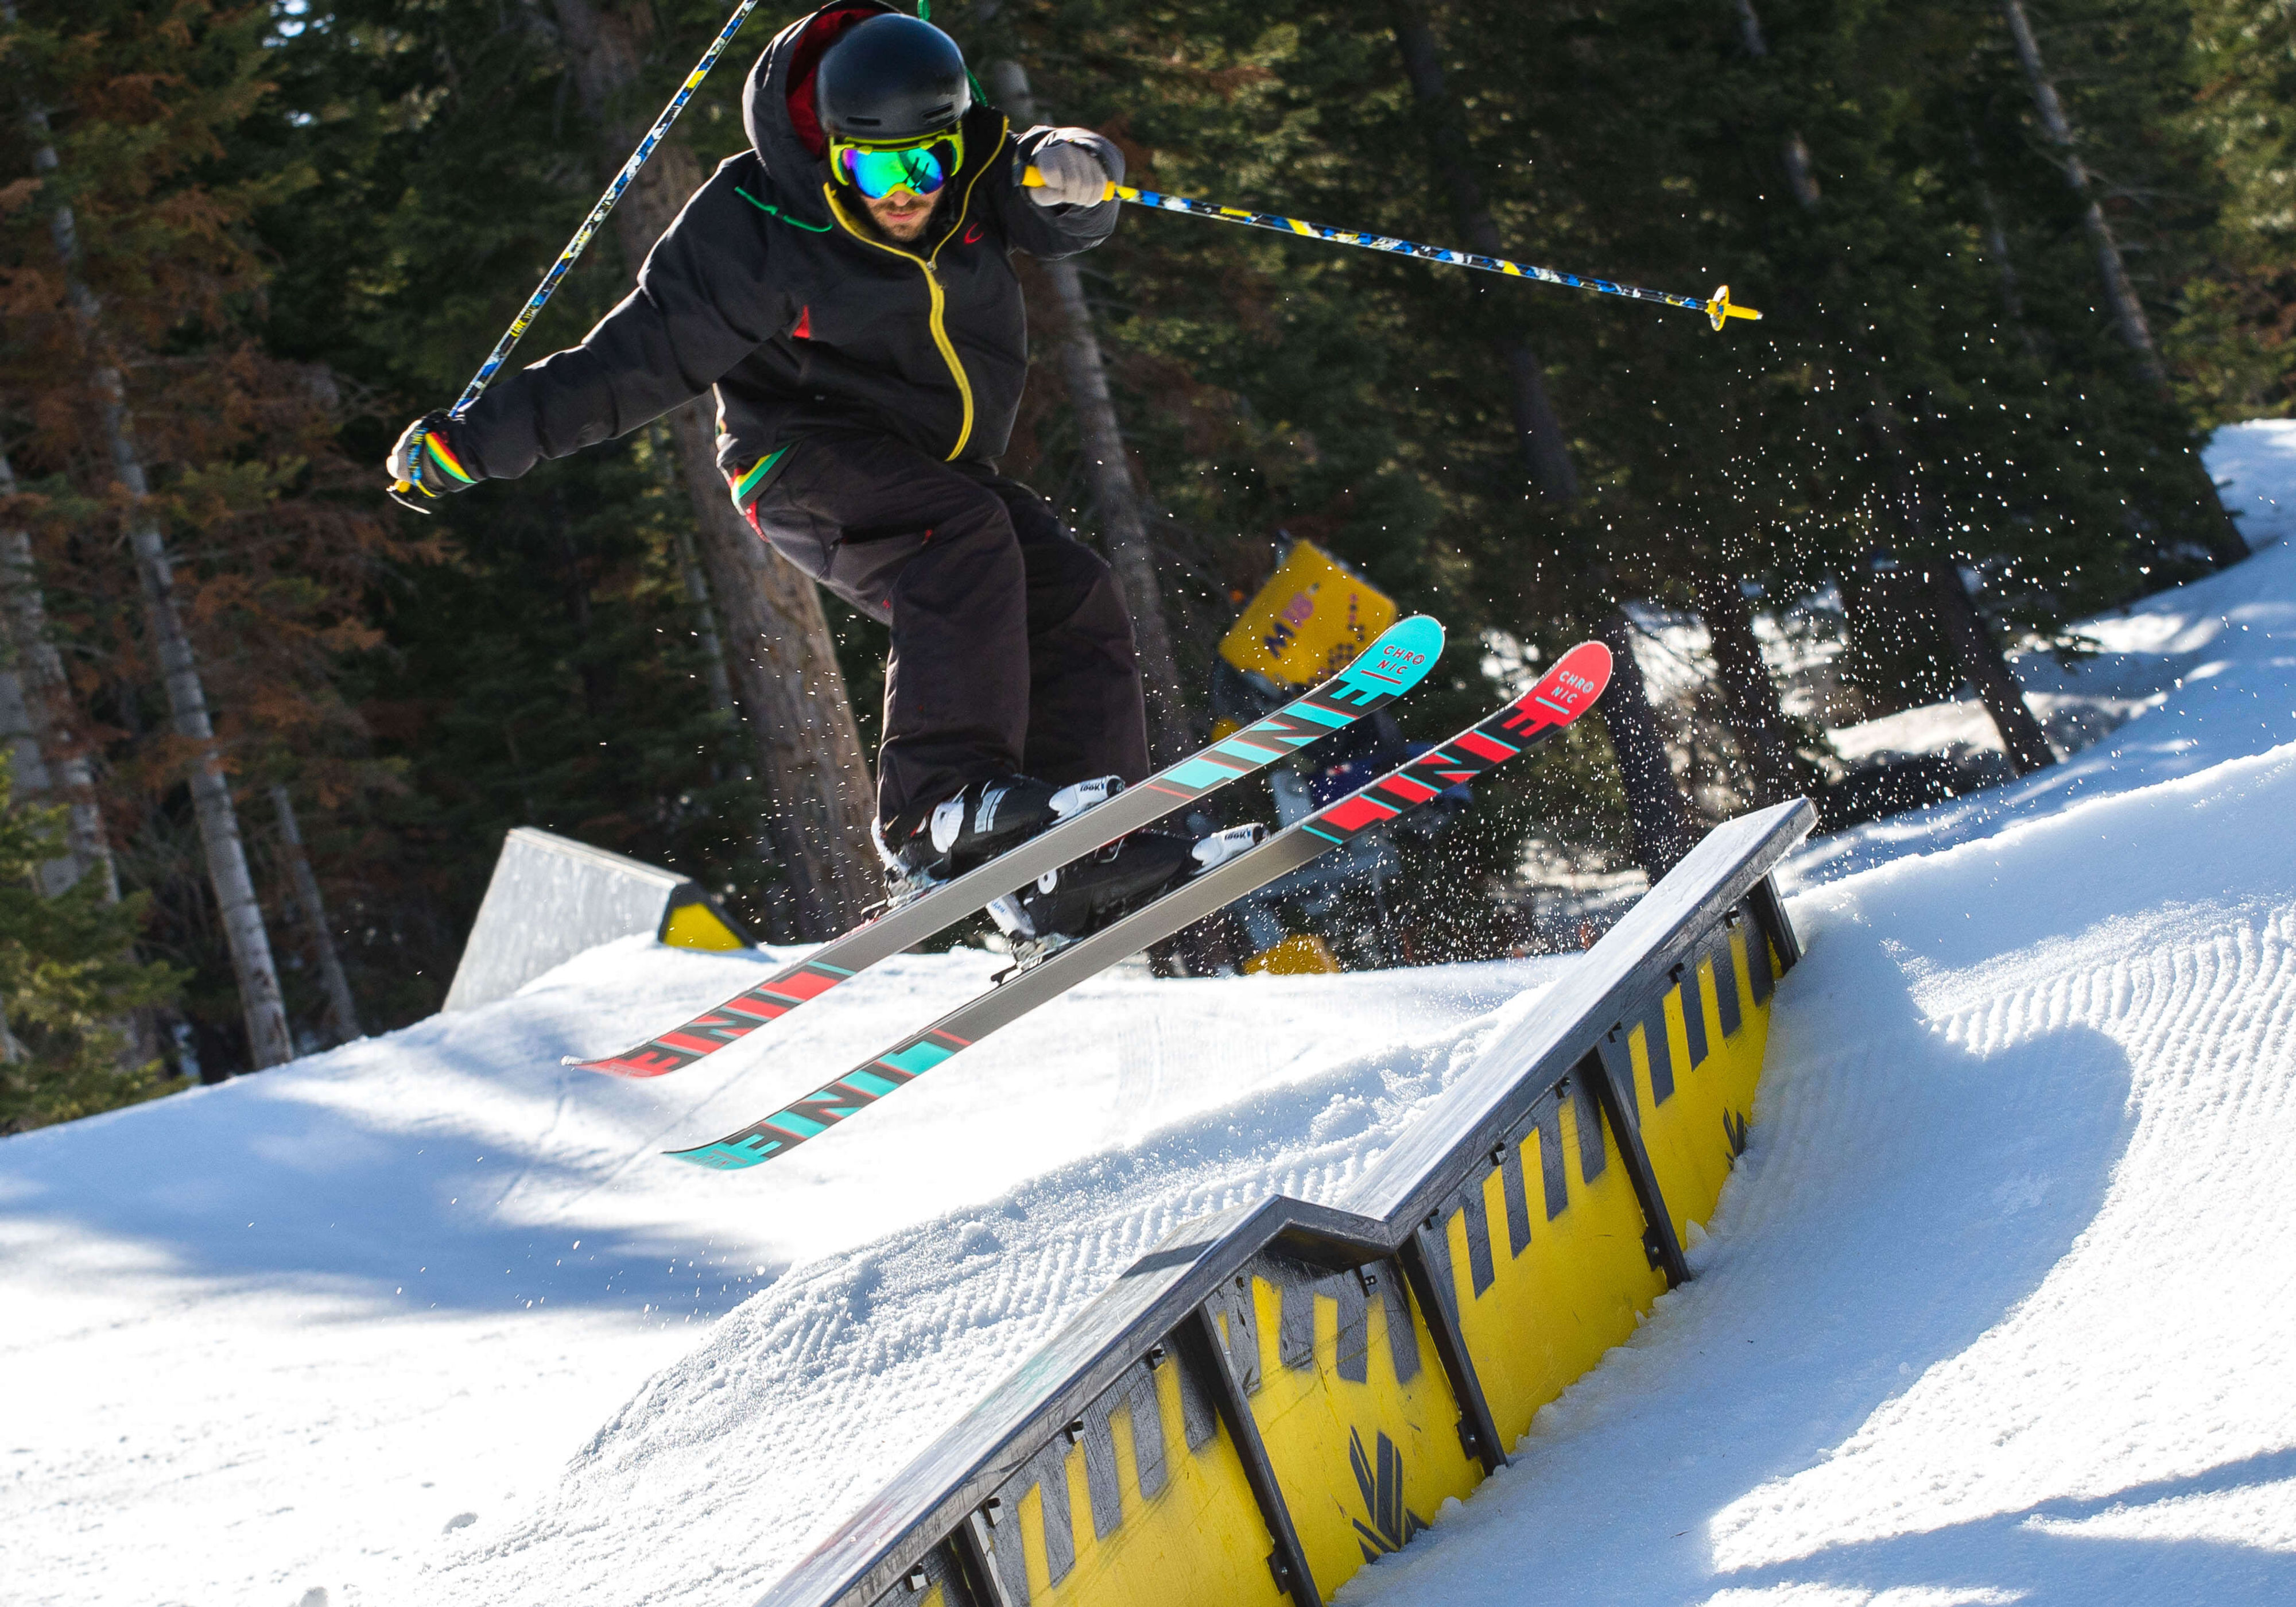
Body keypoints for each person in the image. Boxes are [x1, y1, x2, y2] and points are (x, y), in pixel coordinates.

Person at [387, 3, 1217, 942]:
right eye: (876, 167)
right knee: (962, 535)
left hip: (929, 464)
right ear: (832, 153)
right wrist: (476, 442)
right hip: (799, 460)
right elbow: (635, 359)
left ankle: (1077, 852)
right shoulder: (759, 223)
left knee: (1070, 590)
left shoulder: (980, 170)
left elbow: (1052, 200)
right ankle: (931, 810)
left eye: (926, 163)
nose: (906, 192)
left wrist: (1080, 166)